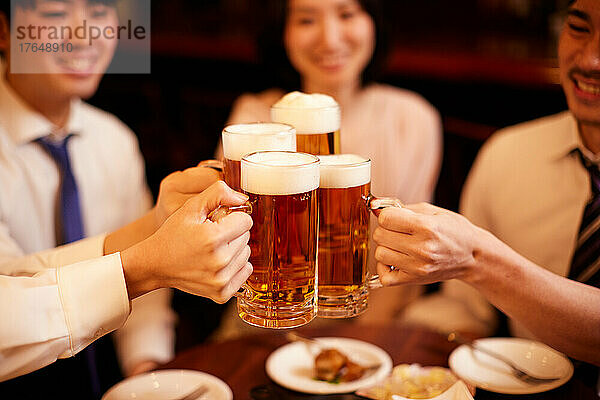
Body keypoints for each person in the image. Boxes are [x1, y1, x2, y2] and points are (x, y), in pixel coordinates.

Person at [0, 0, 243, 397]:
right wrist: (142, 264)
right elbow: (8, 291)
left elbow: (148, 298)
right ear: (3, 31)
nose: (85, 35)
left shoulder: (114, 140)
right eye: (55, 14)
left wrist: (147, 369)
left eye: (100, 13)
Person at [371, 0, 600, 370]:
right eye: (579, 27)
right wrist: (387, 348)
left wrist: (478, 258)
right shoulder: (507, 153)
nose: (590, 61)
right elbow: (466, 308)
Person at [214, 0, 442, 336]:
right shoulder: (252, 121)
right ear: (283, 33)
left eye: (347, 14)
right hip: (261, 326)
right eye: (307, 20)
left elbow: (409, 260)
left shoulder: (414, 118)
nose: (330, 39)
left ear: (373, 21)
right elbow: (226, 241)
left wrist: (352, 350)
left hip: (372, 327)